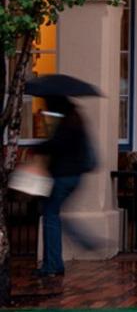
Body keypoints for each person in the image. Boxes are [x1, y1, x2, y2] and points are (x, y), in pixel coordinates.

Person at [32, 95, 97, 278]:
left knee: (50, 216)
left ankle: (52, 264)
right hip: (74, 176)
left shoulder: (67, 124)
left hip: (62, 176)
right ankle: (58, 260)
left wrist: (39, 147)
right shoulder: (76, 121)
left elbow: (56, 145)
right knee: (55, 215)